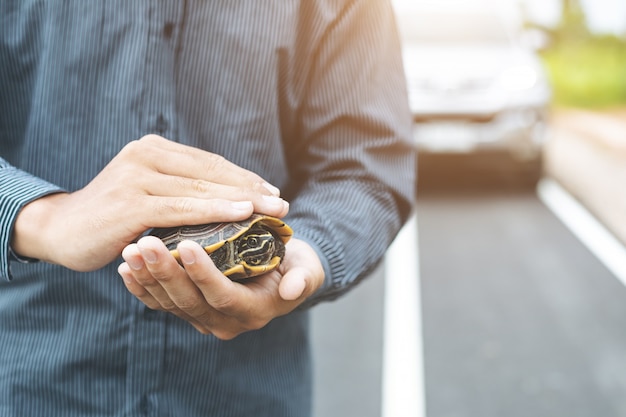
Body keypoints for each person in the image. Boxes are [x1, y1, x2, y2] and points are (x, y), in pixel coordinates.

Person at [0, 1, 415, 416]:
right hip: (34, 382)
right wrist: (44, 217)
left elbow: (364, 167)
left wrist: (309, 252)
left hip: (244, 395)